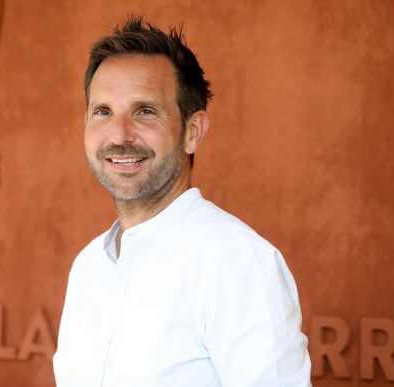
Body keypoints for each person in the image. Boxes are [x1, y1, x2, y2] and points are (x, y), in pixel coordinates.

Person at [53, 15, 311, 387]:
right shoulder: (89, 266)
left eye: (145, 111)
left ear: (193, 132)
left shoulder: (237, 262)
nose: (119, 134)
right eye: (103, 112)